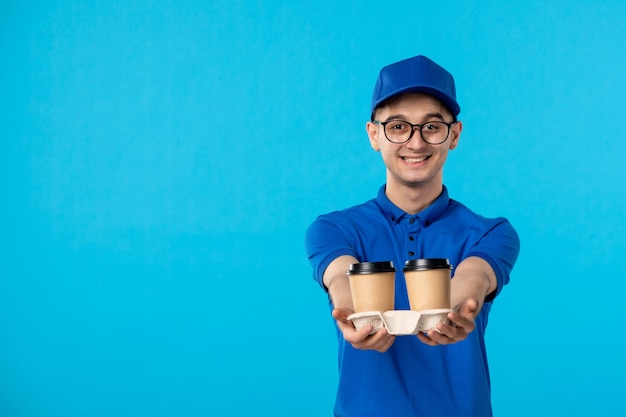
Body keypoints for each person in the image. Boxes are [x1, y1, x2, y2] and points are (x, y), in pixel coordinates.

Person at [304, 55, 520, 417]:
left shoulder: (492, 232)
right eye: (399, 126)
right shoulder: (334, 229)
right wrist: (352, 313)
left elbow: (474, 276)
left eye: (432, 126)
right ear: (374, 135)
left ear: (455, 135)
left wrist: (456, 309)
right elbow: (341, 274)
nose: (416, 143)